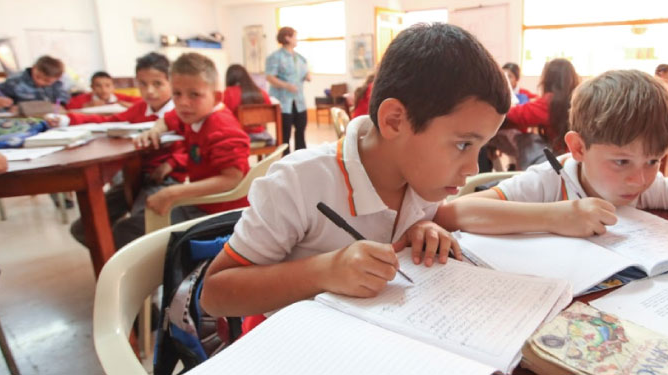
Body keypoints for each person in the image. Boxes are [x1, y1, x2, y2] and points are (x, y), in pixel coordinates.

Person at [198, 23, 511, 319]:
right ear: (394, 121)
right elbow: (213, 295)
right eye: (463, 145)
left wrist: (422, 230)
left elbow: (413, 224)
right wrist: (325, 270)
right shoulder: (298, 182)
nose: (472, 168)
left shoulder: (422, 180)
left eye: (480, 148)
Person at [436, 70, 668, 264]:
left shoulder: (655, 187)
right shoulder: (550, 183)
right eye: (621, 161)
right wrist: (556, 216)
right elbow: (454, 212)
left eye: (653, 160)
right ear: (578, 148)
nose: (640, 178)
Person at [45, 53, 188, 249]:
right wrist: (68, 119)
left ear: (171, 82)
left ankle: (131, 264)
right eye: (143, 84)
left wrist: (172, 163)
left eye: (157, 84)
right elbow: (107, 122)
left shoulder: (183, 110)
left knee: (138, 227)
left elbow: (193, 146)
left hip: (164, 177)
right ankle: (115, 261)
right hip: (133, 176)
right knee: (84, 228)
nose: (150, 91)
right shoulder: (139, 109)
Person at [134, 53, 252, 246]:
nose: (183, 103)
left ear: (215, 98)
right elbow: (169, 119)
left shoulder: (221, 127)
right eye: (177, 94)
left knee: (134, 228)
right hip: (203, 202)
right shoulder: (195, 115)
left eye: (194, 94)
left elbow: (233, 178)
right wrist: (155, 129)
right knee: (140, 217)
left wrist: (173, 192)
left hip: (218, 213)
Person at [504, 58, 579, 155]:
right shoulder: (578, 97)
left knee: (526, 140)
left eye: (509, 76)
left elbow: (516, 115)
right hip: (576, 153)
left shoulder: (550, 101)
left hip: (562, 155)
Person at [266, 27, 311, 155]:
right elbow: (270, 77)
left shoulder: (299, 57)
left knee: (301, 129)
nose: (297, 39)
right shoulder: (275, 57)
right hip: (283, 102)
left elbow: (305, 71)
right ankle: (285, 161)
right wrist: (286, 85)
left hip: (299, 101)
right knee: (284, 134)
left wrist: (307, 76)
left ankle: (301, 158)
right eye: (295, 36)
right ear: (287, 37)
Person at [223, 64, 274, 145]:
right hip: (262, 136)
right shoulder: (261, 92)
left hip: (240, 137)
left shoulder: (228, 93)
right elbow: (270, 110)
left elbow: (225, 117)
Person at [0, 55, 70, 109]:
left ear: (57, 78)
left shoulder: (56, 84)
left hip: (48, 119)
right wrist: (1, 101)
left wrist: (58, 105)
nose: (40, 82)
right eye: (37, 76)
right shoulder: (15, 81)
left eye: (47, 81)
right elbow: (0, 92)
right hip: (21, 120)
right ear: (34, 67)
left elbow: (62, 97)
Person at [66, 71, 140, 109]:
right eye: (98, 86)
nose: (104, 90)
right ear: (92, 87)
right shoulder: (83, 99)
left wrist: (131, 106)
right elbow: (65, 108)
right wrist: (85, 106)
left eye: (107, 86)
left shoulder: (122, 98)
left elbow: (144, 103)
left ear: (113, 87)